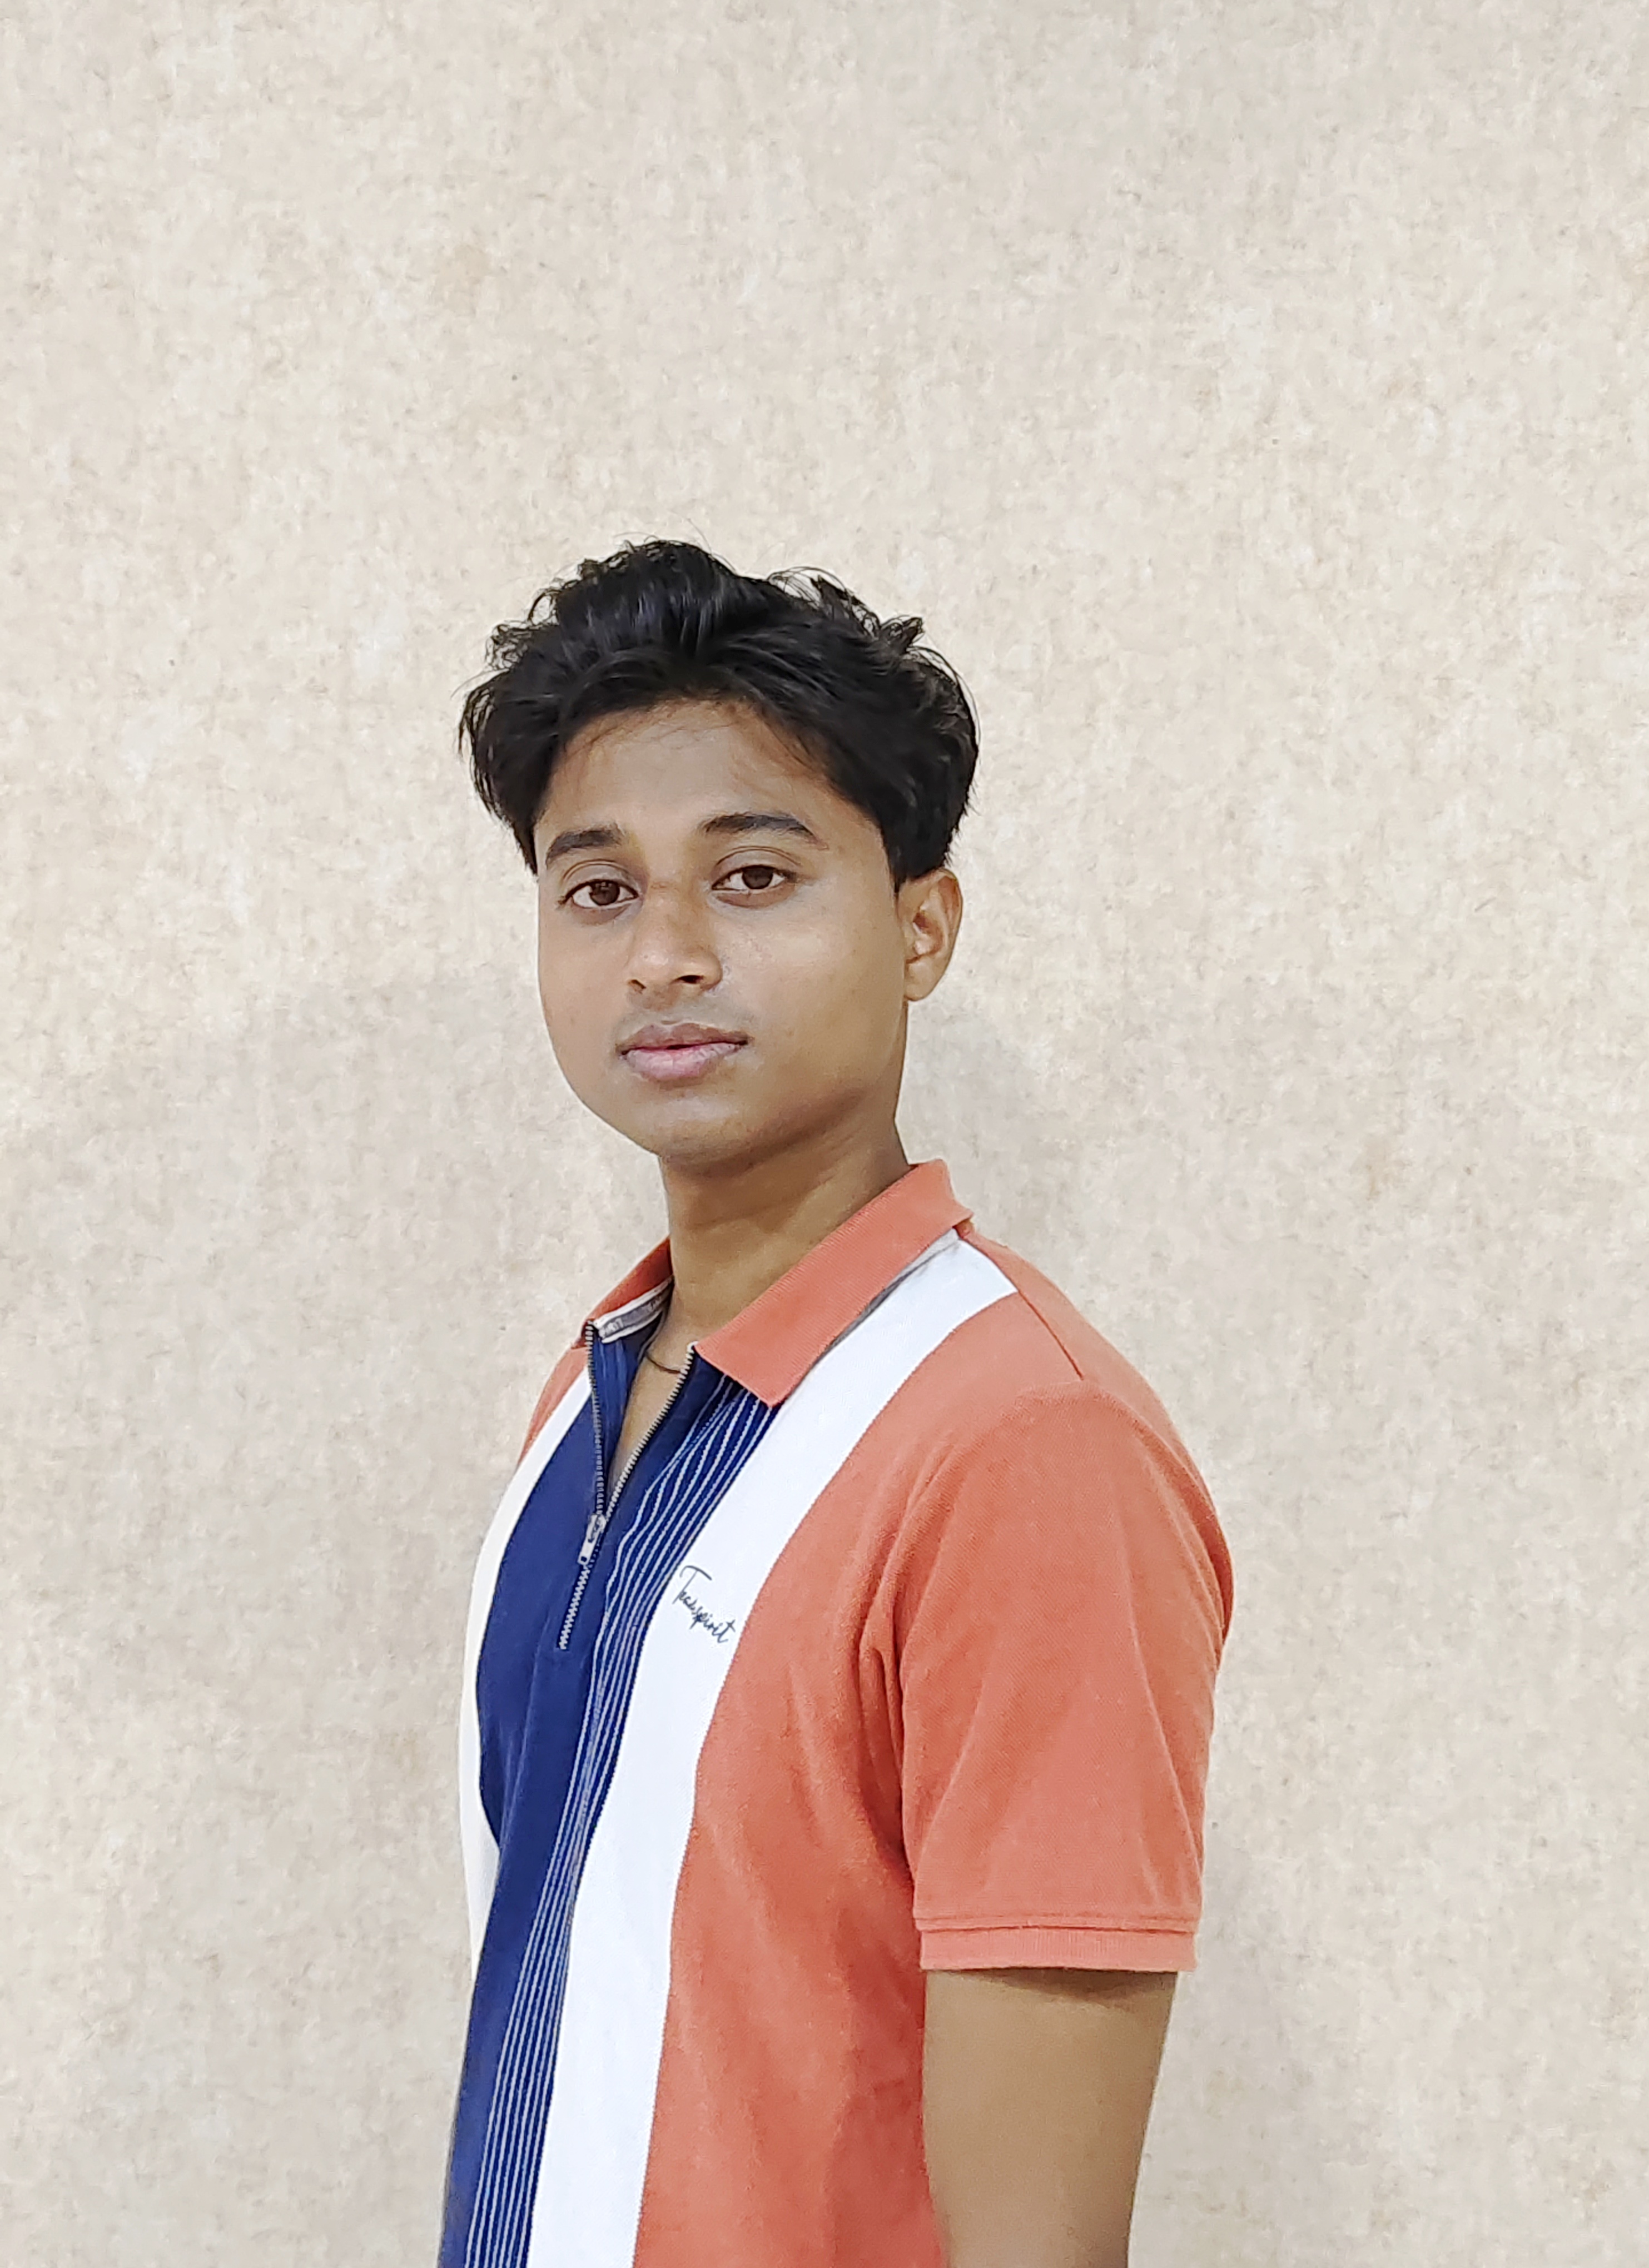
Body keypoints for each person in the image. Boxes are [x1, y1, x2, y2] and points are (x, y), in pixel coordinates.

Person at [441, 539, 1233, 2268]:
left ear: (919, 927)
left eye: (753, 877)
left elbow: (1037, 2244)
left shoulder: (1025, 1450)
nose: (663, 955)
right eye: (598, 891)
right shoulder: (593, 1389)